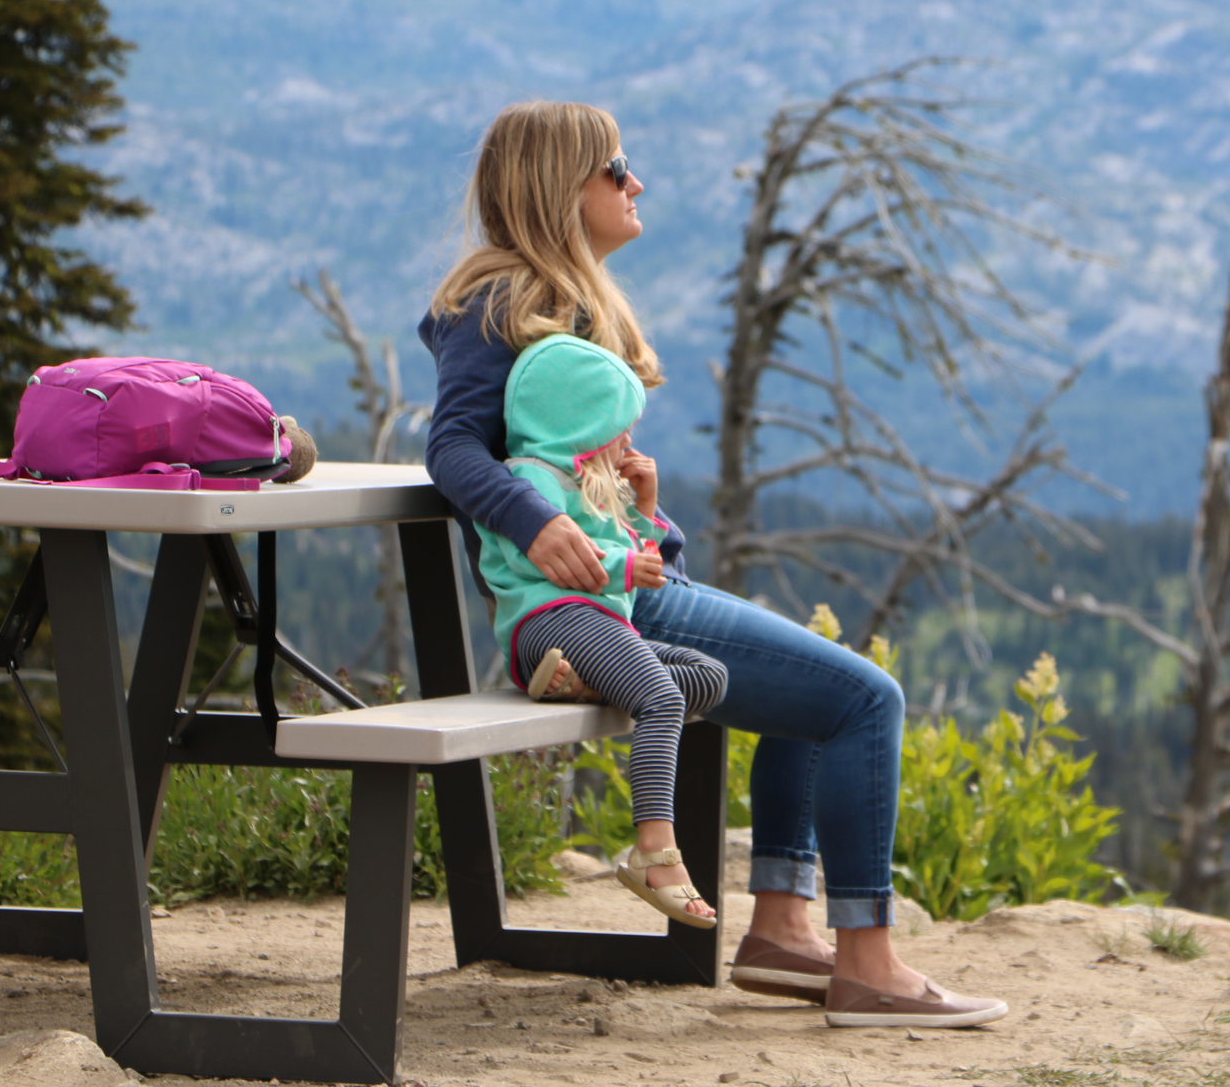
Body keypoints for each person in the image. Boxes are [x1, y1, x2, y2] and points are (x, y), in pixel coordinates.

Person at [420, 100, 1008, 1029]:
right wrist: (535, 528)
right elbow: (452, 449)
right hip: (605, 616)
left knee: (817, 702)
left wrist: (645, 516)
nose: (635, 182)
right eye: (616, 169)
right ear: (560, 187)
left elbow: (576, 479)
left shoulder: (560, 303)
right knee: (865, 701)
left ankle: (781, 930)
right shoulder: (498, 302)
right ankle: (869, 965)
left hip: (633, 594)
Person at [477, 330, 727, 926]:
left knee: (709, 676)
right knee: (661, 699)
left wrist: (644, 508)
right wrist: (621, 566)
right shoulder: (530, 480)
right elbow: (539, 560)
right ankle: (653, 850)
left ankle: (584, 683)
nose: (628, 440)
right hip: (551, 621)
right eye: (619, 424)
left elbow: (635, 576)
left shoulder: (591, 490)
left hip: (594, 625)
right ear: (578, 420)